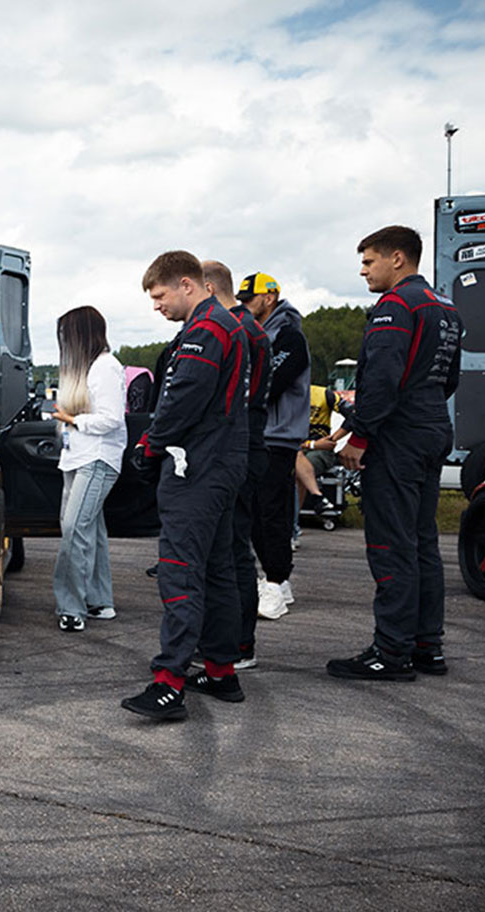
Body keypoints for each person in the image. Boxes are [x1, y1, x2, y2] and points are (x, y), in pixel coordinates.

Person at [327, 225, 462, 681]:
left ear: (397, 258)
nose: (363, 271)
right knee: (423, 542)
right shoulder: (446, 306)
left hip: (398, 437)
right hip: (432, 428)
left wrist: (360, 435)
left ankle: (391, 651)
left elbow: (382, 378)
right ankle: (427, 646)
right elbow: (450, 379)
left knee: (392, 545)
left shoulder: (396, 306)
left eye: (369, 261)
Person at [121, 252, 247, 721]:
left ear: (187, 285)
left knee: (180, 572)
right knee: (217, 571)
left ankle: (169, 683)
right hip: (224, 461)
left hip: (196, 467)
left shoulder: (206, 330)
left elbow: (183, 400)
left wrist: (150, 446)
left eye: (160, 296)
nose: (156, 306)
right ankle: (221, 671)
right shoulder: (230, 326)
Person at [206, 260, 271, 666]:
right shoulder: (252, 328)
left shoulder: (235, 329)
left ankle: (236, 645)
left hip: (237, 446)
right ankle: (231, 643)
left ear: (208, 288)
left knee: (231, 549)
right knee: (229, 547)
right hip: (248, 442)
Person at [236, 272, 309, 618]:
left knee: (272, 513)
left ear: (269, 297)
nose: (244, 306)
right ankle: (277, 580)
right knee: (256, 513)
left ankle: (277, 582)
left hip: (279, 436)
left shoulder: (289, 336)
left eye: (249, 300)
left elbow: (271, 382)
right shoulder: (257, 334)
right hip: (259, 434)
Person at [50, 306, 125, 632]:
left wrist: (72, 419)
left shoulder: (105, 367)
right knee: (89, 529)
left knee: (75, 529)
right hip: (79, 457)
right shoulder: (90, 368)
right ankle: (98, 600)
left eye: (66, 335)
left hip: (96, 458)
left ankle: (71, 607)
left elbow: (111, 419)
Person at [295, 385, 345, 511]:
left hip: (320, 451)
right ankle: (317, 496)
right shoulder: (280, 394)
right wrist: (312, 444)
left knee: (299, 471)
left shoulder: (324, 394)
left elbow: (354, 415)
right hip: (294, 448)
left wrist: (333, 439)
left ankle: (293, 519)